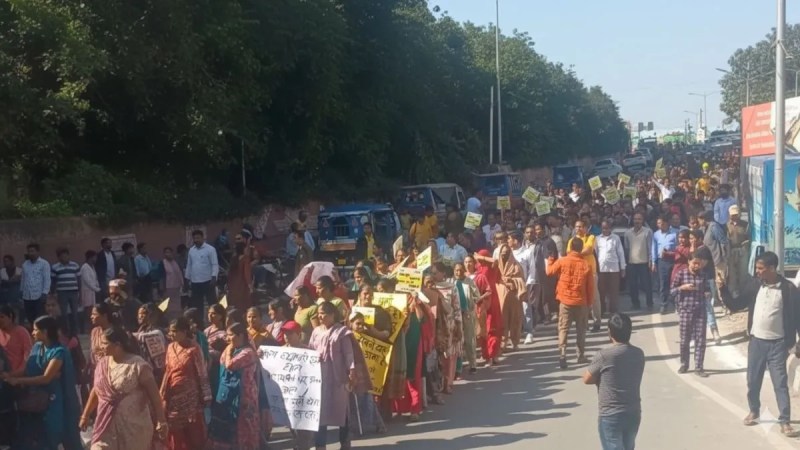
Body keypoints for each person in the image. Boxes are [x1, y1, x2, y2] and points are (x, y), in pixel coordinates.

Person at [717, 252, 800, 437]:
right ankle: (754, 410)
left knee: (780, 383)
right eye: (757, 268)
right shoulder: (755, 285)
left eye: (761, 268)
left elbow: (798, 317)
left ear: (772, 268)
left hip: (778, 345)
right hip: (756, 342)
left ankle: (785, 421)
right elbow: (737, 305)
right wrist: (723, 290)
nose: (758, 271)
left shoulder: (788, 289)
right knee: (753, 381)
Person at [81, 327, 168, 449]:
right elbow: (97, 390)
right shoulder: (102, 365)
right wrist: (85, 415)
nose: (101, 347)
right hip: (106, 426)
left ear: (117, 345)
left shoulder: (138, 365)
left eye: (105, 343)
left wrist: (161, 420)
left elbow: (155, 396)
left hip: (134, 428)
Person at [3, 315, 82, 450]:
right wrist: (9, 375)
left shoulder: (59, 351)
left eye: (35, 330)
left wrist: (17, 381)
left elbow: (46, 377)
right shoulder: (37, 347)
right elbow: (27, 368)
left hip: (57, 401)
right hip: (36, 402)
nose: (32, 333)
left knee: (60, 434)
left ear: (45, 332)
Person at [583, 313, 645, 450]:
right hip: (633, 411)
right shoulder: (638, 353)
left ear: (610, 333)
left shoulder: (604, 355)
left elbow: (586, 379)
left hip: (610, 414)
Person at [309, 301, 356, 449]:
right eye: (319, 313)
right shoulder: (316, 331)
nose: (320, 316)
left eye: (323, 313)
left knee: (342, 410)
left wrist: (352, 372)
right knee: (320, 412)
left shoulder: (342, 332)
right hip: (320, 377)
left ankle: (345, 442)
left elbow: (348, 354)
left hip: (338, 378)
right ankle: (320, 445)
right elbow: (310, 350)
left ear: (332, 315)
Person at [161, 317, 212, 450]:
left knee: (194, 433)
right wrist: (162, 392)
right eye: (170, 331)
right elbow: (167, 371)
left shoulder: (194, 349)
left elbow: (202, 373)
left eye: (174, 331)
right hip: (173, 398)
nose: (171, 334)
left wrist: (206, 396)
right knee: (175, 432)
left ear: (184, 332)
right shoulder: (171, 347)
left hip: (191, 398)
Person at [208, 322, 260, 450]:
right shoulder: (231, 349)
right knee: (230, 427)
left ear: (240, 335)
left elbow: (230, 365)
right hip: (230, 393)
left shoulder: (247, 352)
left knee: (245, 426)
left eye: (230, 335)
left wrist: (229, 349)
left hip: (244, 395)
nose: (227, 338)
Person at [547, 238, 595, 370]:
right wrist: (590, 303)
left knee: (563, 328)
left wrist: (551, 259)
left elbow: (549, 272)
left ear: (570, 247)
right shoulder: (586, 265)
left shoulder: (562, 261)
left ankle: (562, 354)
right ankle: (580, 355)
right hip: (581, 301)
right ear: (581, 249)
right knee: (581, 329)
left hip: (565, 300)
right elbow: (590, 287)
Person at [671, 252, 710, 377]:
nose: (696, 266)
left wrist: (708, 294)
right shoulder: (681, 274)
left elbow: (708, 289)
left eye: (698, 264)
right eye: (694, 263)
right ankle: (684, 364)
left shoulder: (703, 275)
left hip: (700, 311)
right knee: (684, 339)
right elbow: (671, 291)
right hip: (685, 311)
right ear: (689, 262)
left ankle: (699, 367)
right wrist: (682, 287)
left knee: (700, 340)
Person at [568, 221, 601, 332]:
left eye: (581, 227)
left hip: (591, 272)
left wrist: (576, 253)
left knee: (594, 298)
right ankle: (584, 323)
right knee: (582, 299)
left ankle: (597, 322)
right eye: (576, 226)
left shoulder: (591, 237)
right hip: (578, 273)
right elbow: (569, 253)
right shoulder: (571, 240)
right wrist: (580, 253)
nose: (578, 228)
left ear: (586, 228)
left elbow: (589, 249)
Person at [472, 249, 503, 366]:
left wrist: (482, 257)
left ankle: (494, 354)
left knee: (493, 328)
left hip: (492, 299)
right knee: (483, 329)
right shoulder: (477, 269)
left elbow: (495, 260)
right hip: (481, 300)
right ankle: (487, 356)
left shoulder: (492, 266)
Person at [453, 263, 479, 375]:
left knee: (469, 339)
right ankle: (458, 365)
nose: (458, 273)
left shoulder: (469, 282)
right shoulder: (451, 283)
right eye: (456, 270)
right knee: (458, 340)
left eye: (460, 270)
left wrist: (471, 304)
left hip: (467, 314)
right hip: (455, 315)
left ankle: (472, 363)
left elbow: (477, 296)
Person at [596, 221, 626, 315]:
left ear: (610, 228)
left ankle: (613, 310)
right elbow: (596, 254)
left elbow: (620, 253)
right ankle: (602, 310)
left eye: (607, 228)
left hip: (614, 269)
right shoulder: (597, 239)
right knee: (601, 291)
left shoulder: (615, 238)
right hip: (601, 268)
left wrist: (623, 268)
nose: (605, 230)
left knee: (613, 291)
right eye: (603, 228)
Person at [133, 304, 168, 384]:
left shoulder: (158, 331)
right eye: (139, 313)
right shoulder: (141, 330)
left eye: (144, 313)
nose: (140, 316)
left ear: (152, 315)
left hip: (157, 373)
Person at [186, 230, 220, 310]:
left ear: (202, 238)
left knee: (212, 303)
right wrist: (187, 278)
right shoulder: (191, 250)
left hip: (208, 281)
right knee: (197, 305)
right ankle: (199, 322)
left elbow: (214, 264)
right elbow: (189, 265)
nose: (196, 240)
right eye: (194, 238)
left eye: (198, 238)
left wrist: (214, 277)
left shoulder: (210, 249)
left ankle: (217, 319)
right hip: (195, 282)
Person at [51, 248, 81, 336]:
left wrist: (80, 293)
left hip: (74, 292)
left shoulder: (75, 265)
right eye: (62, 256)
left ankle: (75, 331)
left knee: (75, 313)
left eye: (66, 255)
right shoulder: (55, 267)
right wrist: (52, 293)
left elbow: (79, 280)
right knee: (64, 314)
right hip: (62, 293)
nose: (64, 257)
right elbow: (53, 281)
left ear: (68, 255)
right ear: (59, 257)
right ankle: (66, 331)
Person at [651, 216, 677, 314]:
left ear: (667, 223)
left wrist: (670, 253)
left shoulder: (674, 233)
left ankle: (675, 303)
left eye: (661, 223)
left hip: (672, 259)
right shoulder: (656, 234)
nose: (660, 225)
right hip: (661, 261)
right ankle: (663, 304)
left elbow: (678, 247)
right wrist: (653, 262)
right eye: (658, 224)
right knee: (663, 283)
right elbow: (653, 248)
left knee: (674, 281)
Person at [21, 243, 51, 326]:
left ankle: (41, 334)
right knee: (30, 317)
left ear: (38, 252)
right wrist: (21, 292)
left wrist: (45, 293)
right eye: (29, 251)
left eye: (33, 251)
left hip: (39, 295)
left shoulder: (44, 264)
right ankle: (33, 334)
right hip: (27, 296)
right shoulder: (25, 264)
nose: (31, 253)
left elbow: (47, 279)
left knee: (40, 317)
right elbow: (23, 279)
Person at [0, 305, 33, 372]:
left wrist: (18, 373)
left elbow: (28, 355)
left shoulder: (21, 332)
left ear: (10, 316)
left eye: (2, 317)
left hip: (19, 374)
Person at [726, 205, 750, 298]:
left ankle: (743, 291)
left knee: (743, 272)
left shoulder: (745, 224)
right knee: (731, 273)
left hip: (742, 250)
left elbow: (748, 237)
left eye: (736, 214)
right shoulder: (726, 225)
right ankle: (733, 292)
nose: (734, 216)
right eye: (732, 215)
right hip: (731, 250)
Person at [227, 240, 253, 311]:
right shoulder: (245, 259)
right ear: (243, 249)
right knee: (244, 304)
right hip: (242, 285)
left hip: (233, 285)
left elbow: (229, 273)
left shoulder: (233, 258)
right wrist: (250, 286)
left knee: (236, 304)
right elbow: (246, 273)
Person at [79, 251, 100, 333]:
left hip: (93, 291)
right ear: (91, 257)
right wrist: (96, 289)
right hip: (87, 291)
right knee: (88, 311)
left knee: (92, 310)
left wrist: (97, 287)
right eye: (95, 257)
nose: (96, 259)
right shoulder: (84, 267)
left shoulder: (92, 267)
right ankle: (87, 329)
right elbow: (87, 281)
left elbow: (95, 279)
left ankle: (92, 328)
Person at [95, 238, 117, 302]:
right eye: (108, 243)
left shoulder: (112, 253)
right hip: (104, 280)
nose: (110, 244)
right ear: (103, 244)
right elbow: (98, 267)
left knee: (114, 296)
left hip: (113, 279)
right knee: (105, 296)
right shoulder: (100, 255)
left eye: (110, 243)